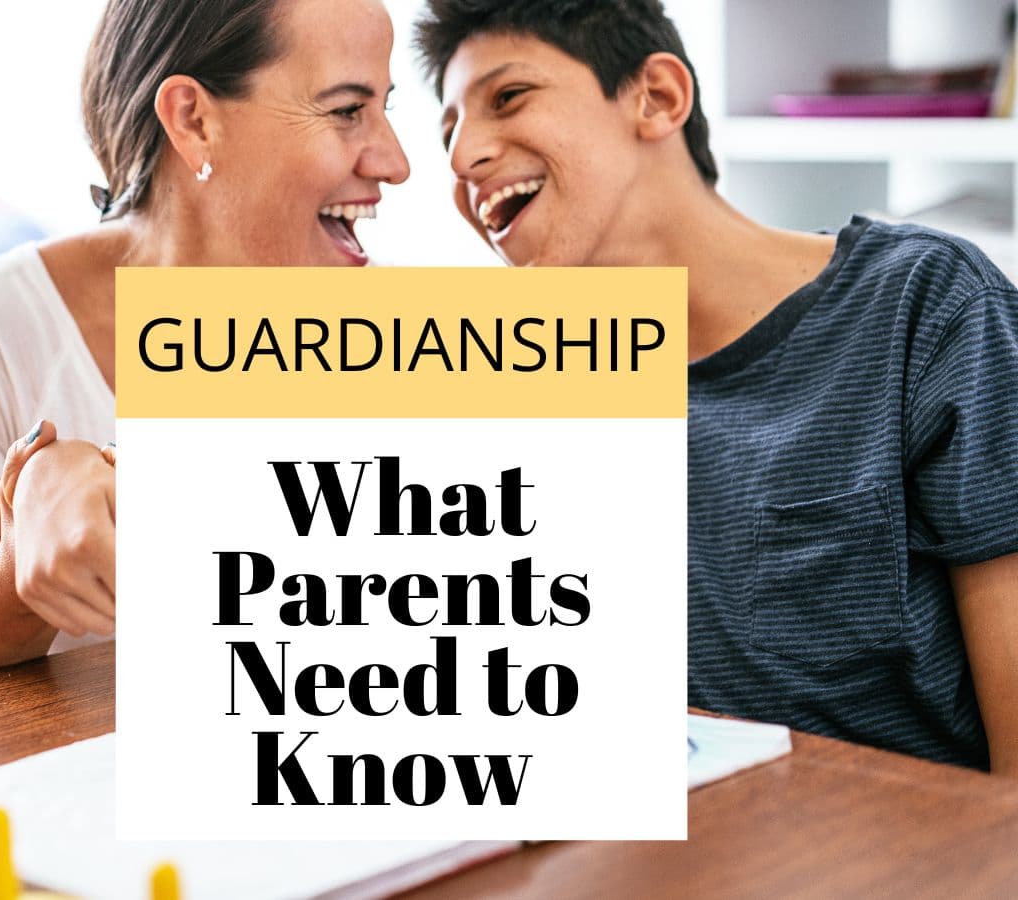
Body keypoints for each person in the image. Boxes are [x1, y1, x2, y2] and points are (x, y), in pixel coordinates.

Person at [416, 0, 1018, 774]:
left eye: (508, 98)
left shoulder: (926, 309)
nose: (464, 158)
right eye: (447, 134)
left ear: (657, 97)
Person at [0, 0, 409, 700]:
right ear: (193, 120)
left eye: (387, 108)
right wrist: (18, 580)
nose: (397, 162)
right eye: (348, 110)